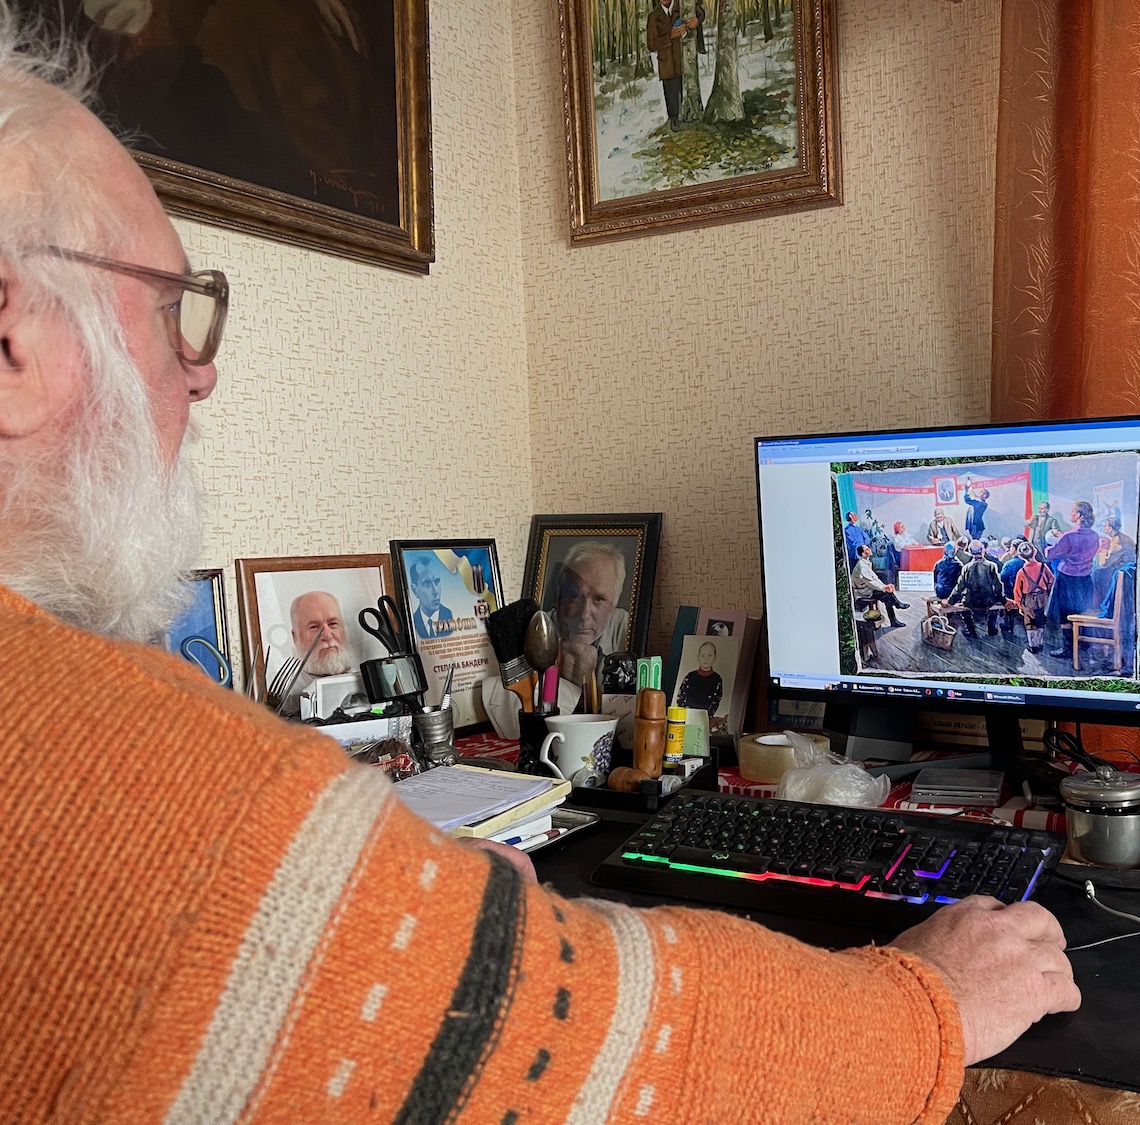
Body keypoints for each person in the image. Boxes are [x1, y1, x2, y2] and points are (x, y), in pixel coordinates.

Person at [0, 15, 1077, 1120]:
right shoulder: (117, 764)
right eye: (174, 307)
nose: (200, 372)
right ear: (10, 340)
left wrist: (440, 926)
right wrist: (933, 996)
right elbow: (631, 1052)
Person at [549, 538, 630, 685]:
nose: (584, 614)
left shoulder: (630, 629)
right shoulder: (535, 631)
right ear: (558, 596)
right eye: (574, 596)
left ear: (614, 603)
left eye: (599, 599)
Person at [1045, 500, 1103, 659]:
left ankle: (1068, 648)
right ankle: (1083, 645)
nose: (1070, 514)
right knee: (1081, 611)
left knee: (1065, 615)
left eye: (1072, 511)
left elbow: (1050, 555)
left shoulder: (1069, 536)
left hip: (1067, 579)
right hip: (1084, 579)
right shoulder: (1094, 536)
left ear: (1078, 515)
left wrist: (1052, 543)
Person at [285, 589, 354, 697]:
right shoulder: (289, 696)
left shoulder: (366, 681)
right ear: (295, 637)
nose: (327, 635)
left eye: (333, 624)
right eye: (314, 627)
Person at [645, 0, 697, 132]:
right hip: (667, 62)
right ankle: (674, 119)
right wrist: (670, 36)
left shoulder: (683, 5)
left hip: (685, 57)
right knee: (671, 90)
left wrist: (697, 20)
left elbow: (700, 13)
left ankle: (692, 113)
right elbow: (651, 44)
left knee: (685, 86)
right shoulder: (654, 16)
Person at [945, 541, 1005, 639]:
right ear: (983, 551)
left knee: (964, 605)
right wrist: (1004, 600)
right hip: (988, 601)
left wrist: (950, 601)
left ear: (971, 552)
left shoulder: (966, 567)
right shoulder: (991, 566)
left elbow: (959, 588)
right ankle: (991, 627)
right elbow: (998, 586)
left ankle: (971, 630)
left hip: (972, 602)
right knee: (995, 602)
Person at [1010, 540, 1055, 654]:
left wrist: (1019, 605)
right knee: (1041, 621)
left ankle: (1032, 645)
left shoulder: (1021, 572)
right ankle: (1040, 643)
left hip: (1028, 600)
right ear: (1035, 551)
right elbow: (1052, 580)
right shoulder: (1043, 567)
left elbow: (1017, 590)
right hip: (1043, 597)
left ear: (1020, 556)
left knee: (1030, 622)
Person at [851, 543, 910, 628]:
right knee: (887, 595)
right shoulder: (862, 566)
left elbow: (875, 579)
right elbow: (870, 582)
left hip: (868, 588)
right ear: (863, 554)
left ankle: (895, 613)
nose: (870, 550)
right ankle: (896, 610)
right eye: (867, 549)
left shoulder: (866, 563)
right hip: (863, 591)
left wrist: (885, 586)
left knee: (887, 593)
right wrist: (884, 588)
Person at [407, 553, 454, 639]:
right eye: (427, 583)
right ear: (415, 590)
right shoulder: (411, 622)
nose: (435, 591)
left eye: (437, 581)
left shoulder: (451, 616)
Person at [674, 640, 724, 715]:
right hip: (687, 714)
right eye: (703, 655)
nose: (706, 659)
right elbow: (681, 696)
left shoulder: (717, 679)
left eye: (709, 655)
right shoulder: (690, 676)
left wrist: (707, 715)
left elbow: (716, 701)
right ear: (698, 657)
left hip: (704, 716)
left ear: (715, 657)